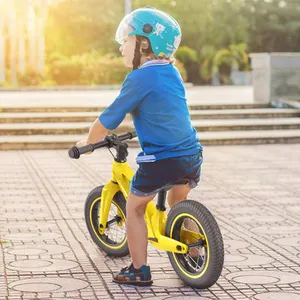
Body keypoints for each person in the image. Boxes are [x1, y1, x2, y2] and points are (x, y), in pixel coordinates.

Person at [76, 6, 203, 286]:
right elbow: (164, 110)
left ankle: (138, 269)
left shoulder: (139, 77)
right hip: (191, 154)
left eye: (126, 41)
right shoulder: (172, 72)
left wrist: (89, 141)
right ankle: (196, 251)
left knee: (134, 208)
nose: (122, 46)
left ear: (144, 44)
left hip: (162, 161)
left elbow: (111, 115)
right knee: (177, 201)